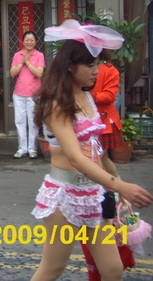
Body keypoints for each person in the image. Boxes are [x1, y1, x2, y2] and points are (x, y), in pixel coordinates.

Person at [31, 20, 153, 280]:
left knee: (112, 269)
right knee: (52, 268)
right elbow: (75, 157)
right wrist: (120, 186)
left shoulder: (87, 97)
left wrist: (117, 183)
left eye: (96, 64)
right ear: (70, 66)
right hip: (62, 200)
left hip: (94, 195)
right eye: (90, 65)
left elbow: (97, 151)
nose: (96, 71)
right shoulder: (56, 103)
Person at [10, 30, 45, 159]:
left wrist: (28, 62)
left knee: (33, 122)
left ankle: (32, 149)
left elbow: (39, 73)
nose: (29, 42)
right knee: (20, 122)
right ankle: (22, 148)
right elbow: (12, 73)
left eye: (31, 40)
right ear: (22, 42)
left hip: (34, 94)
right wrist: (22, 61)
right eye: (27, 40)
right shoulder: (17, 55)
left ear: (35, 42)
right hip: (19, 94)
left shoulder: (39, 55)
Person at [90, 48, 122, 178]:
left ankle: (113, 190)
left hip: (104, 122)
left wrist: (88, 97)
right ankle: (117, 189)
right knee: (102, 158)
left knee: (95, 159)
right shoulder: (85, 67)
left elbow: (110, 96)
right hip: (90, 119)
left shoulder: (110, 70)